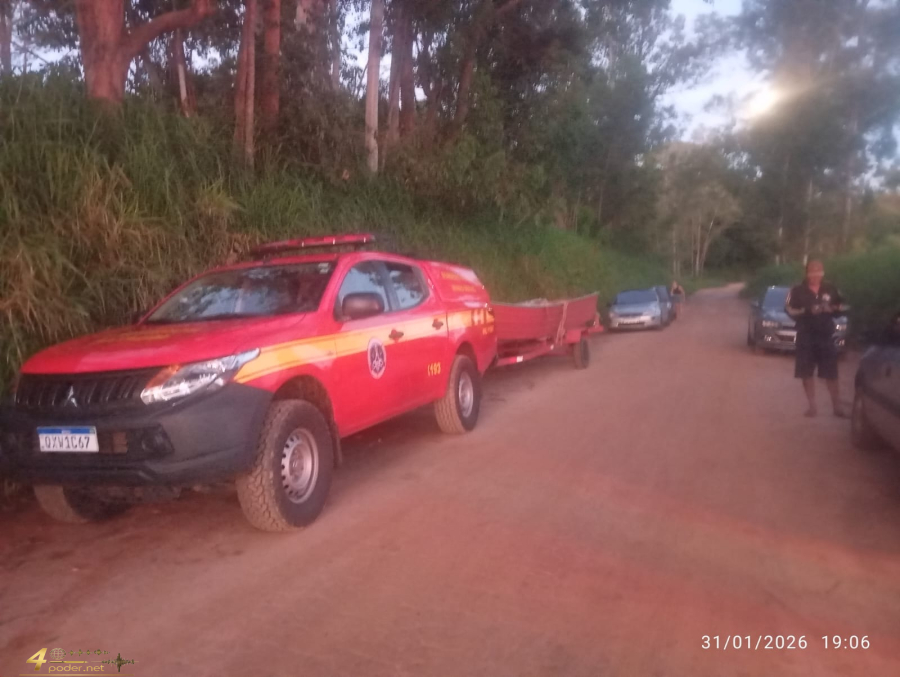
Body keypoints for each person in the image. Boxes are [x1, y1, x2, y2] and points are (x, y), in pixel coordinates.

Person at [785, 260, 848, 418]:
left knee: (831, 373)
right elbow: (789, 309)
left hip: (825, 336)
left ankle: (837, 407)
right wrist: (807, 310)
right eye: (812, 272)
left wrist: (832, 309)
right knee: (806, 373)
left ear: (823, 273)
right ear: (806, 273)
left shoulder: (831, 288)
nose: (815, 275)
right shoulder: (797, 290)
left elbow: (844, 306)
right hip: (805, 337)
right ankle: (812, 407)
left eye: (818, 272)